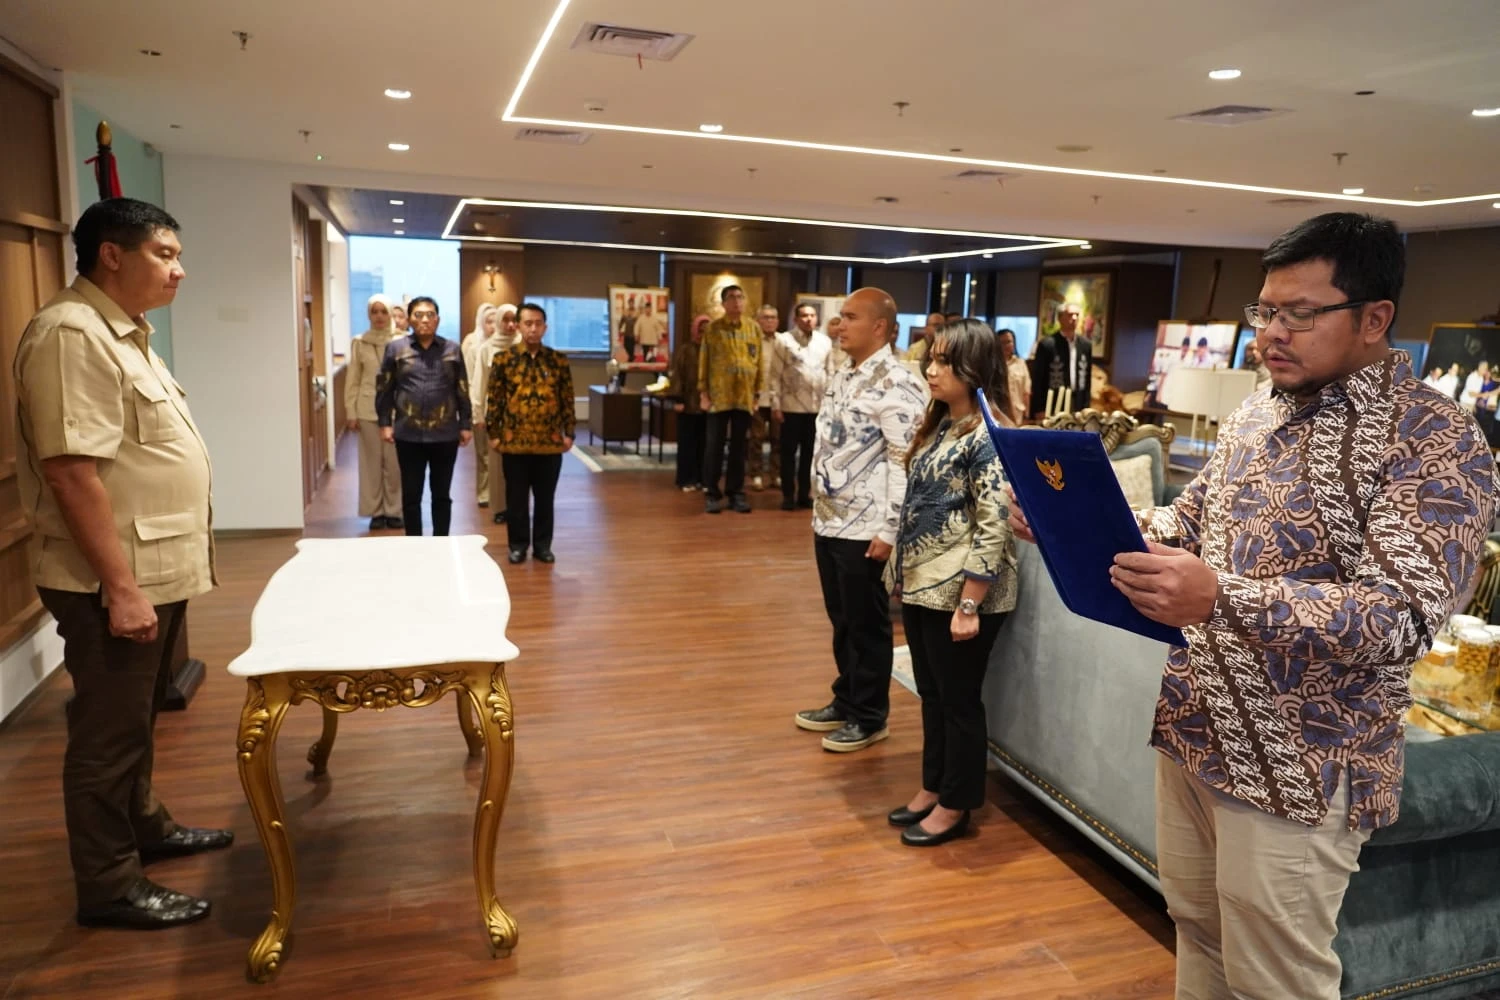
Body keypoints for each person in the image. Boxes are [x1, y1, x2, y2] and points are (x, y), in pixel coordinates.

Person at [1011, 212, 1498, 998]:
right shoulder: (1257, 410)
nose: (1272, 332)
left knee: (1277, 980)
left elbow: (1401, 615)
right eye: (1265, 310)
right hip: (1196, 728)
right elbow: (1188, 524)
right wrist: (1077, 523)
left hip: (1303, 763)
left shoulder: (1433, 437)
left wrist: (1220, 597)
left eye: (1300, 313)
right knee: (1198, 936)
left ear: (1375, 318)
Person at [13, 197, 229, 929]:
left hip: (152, 568)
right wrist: (121, 587)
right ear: (112, 254)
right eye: (164, 254)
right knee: (108, 735)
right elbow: (72, 473)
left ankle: (145, 826)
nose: (179, 270)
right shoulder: (72, 334)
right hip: (115, 580)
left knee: (134, 723)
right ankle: (109, 884)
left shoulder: (124, 333)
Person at [886, 319, 1016, 846]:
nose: (932, 370)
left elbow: (994, 523)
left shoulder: (989, 435)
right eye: (932, 360)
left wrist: (969, 604)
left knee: (959, 700)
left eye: (945, 362)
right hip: (926, 585)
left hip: (963, 592)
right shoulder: (943, 423)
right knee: (932, 694)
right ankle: (934, 786)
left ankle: (957, 804)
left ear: (974, 368)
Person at [796, 288, 927, 752]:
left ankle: (870, 715)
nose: (839, 325)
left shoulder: (899, 383)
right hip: (830, 519)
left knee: (867, 624)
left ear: (879, 327)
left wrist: (890, 530)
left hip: (867, 527)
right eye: (840, 317)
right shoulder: (845, 373)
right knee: (842, 619)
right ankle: (847, 698)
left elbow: (905, 462)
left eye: (850, 317)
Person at [376, 296, 472, 536]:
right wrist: (385, 423)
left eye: (430, 315)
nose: (425, 320)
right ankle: (414, 544)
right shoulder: (396, 349)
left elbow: (462, 389)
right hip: (408, 433)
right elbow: (385, 389)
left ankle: (441, 542)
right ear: (409, 320)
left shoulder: (452, 349)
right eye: (418, 315)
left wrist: (465, 424)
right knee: (411, 495)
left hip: (445, 433)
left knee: (442, 494)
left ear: (437, 320)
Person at [487, 303, 575, 564]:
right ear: (518, 326)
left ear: (545, 327)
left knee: (545, 499)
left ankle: (542, 546)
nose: (533, 329)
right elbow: (495, 399)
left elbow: (567, 398)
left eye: (538, 324)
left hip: (549, 442)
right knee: (516, 500)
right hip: (514, 441)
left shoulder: (558, 361)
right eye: (528, 323)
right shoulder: (504, 360)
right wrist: (494, 433)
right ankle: (517, 545)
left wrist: (569, 432)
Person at [698, 285, 763, 514]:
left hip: (744, 396)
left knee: (739, 447)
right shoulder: (713, 329)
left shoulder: (753, 328)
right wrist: (703, 392)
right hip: (719, 396)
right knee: (714, 446)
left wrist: (757, 393)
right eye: (732, 298)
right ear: (724, 303)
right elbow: (704, 361)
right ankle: (712, 493)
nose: (737, 301)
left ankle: (736, 493)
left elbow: (759, 362)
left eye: (740, 297)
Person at [345, 294, 404, 531]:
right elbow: (353, 379)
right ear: (369, 315)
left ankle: (394, 510)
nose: (379, 316)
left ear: (390, 314)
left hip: (396, 410)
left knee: (394, 464)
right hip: (367, 409)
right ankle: (375, 511)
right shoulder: (360, 342)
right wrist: (351, 411)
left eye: (383, 312)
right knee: (371, 463)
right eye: (374, 312)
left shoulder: (402, 340)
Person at [769, 302, 832, 510]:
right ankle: (788, 495)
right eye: (804, 315)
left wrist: (830, 405)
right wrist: (775, 404)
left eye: (812, 315)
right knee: (788, 454)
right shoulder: (783, 340)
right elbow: (775, 374)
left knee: (810, 455)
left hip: (816, 408)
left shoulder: (824, 342)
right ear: (795, 319)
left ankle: (804, 494)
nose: (808, 319)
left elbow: (830, 373)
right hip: (790, 407)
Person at [471, 303, 518, 524]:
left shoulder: (524, 346)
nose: (510, 325)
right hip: (496, 413)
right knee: (496, 463)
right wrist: (478, 414)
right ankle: (500, 508)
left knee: (520, 464)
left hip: (521, 415)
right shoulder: (486, 349)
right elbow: (479, 383)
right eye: (505, 320)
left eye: (514, 320)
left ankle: (517, 506)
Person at [462, 304, 499, 509]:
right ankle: (484, 493)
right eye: (488, 321)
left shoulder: (507, 345)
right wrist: (474, 411)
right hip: (480, 406)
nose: (492, 326)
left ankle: (501, 493)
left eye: (495, 321)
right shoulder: (473, 345)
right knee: (483, 454)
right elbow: (468, 379)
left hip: (502, 410)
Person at [1029, 301, 1092, 418]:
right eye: (1070, 315)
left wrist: (1086, 406)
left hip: (1078, 401)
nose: (1074, 318)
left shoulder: (1085, 345)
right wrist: (1039, 408)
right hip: (1053, 401)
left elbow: (1087, 379)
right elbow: (1038, 379)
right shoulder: (1047, 344)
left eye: (1077, 315)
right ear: (1060, 318)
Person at [670, 314, 710, 491]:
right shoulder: (685, 350)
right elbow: (678, 376)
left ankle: (704, 479)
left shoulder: (715, 351)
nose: (702, 335)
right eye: (700, 331)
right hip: (688, 405)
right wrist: (678, 399)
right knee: (687, 445)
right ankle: (687, 479)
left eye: (706, 331)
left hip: (709, 406)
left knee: (706, 445)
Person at [748, 304, 782, 492]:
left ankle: (776, 474)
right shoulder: (752, 341)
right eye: (765, 317)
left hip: (778, 399)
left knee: (778, 439)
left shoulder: (784, 341)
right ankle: (756, 475)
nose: (769, 321)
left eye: (773, 317)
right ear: (758, 321)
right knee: (756, 439)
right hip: (757, 398)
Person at [996, 328, 1031, 425]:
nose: (1005, 346)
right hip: (997, 414)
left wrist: (1026, 416)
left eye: (1008, 342)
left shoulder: (1021, 363)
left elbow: (1026, 392)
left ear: (1014, 343)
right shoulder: (992, 365)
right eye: (1002, 343)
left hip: (1018, 415)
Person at [634, 296, 666, 364]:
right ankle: (646, 366)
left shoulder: (654, 318)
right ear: (645, 309)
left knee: (653, 357)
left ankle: (653, 366)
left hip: (653, 341)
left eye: (649, 308)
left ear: (651, 309)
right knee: (646, 357)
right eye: (647, 308)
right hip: (644, 340)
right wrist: (636, 335)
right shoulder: (641, 318)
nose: (648, 310)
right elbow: (636, 327)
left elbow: (658, 329)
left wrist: (660, 338)